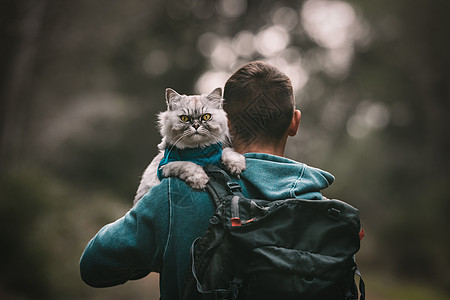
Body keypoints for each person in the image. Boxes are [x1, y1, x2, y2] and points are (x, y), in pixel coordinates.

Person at [79, 61, 335, 299]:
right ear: (295, 122)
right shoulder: (322, 208)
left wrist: (159, 256)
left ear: (227, 123)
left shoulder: (174, 195)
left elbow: (93, 266)